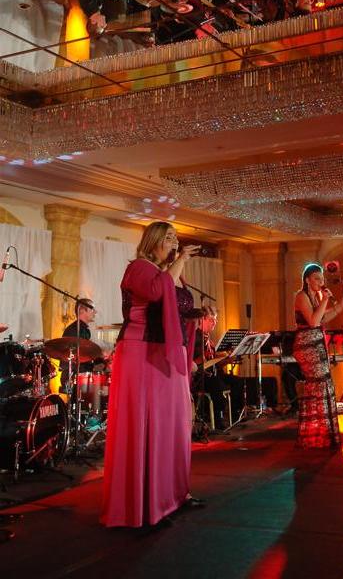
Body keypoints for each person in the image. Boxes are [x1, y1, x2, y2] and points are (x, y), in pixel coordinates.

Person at [101, 221, 203, 528]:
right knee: (149, 425)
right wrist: (180, 260)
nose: (174, 242)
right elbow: (157, 292)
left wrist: (196, 316)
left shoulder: (167, 271)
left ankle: (173, 494)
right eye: (168, 237)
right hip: (141, 352)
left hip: (165, 350)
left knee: (173, 425)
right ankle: (144, 505)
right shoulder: (139, 268)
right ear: (154, 240)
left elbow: (175, 305)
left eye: (176, 237)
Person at [292, 263, 343, 449]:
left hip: (317, 344)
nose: (320, 282)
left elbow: (322, 318)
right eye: (317, 278)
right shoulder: (301, 296)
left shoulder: (315, 296)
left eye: (322, 279)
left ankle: (322, 432)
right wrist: (325, 299)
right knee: (317, 385)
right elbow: (314, 321)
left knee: (324, 384)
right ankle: (314, 434)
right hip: (307, 346)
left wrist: (339, 307)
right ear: (307, 279)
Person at [192, 305, 231, 432]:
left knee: (236, 381)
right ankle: (218, 419)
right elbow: (192, 362)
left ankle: (237, 414)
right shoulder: (195, 338)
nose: (215, 322)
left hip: (211, 374)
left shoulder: (208, 338)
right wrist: (202, 359)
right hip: (199, 378)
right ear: (202, 320)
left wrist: (226, 360)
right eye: (211, 319)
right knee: (217, 384)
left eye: (215, 319)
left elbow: (213, 363)